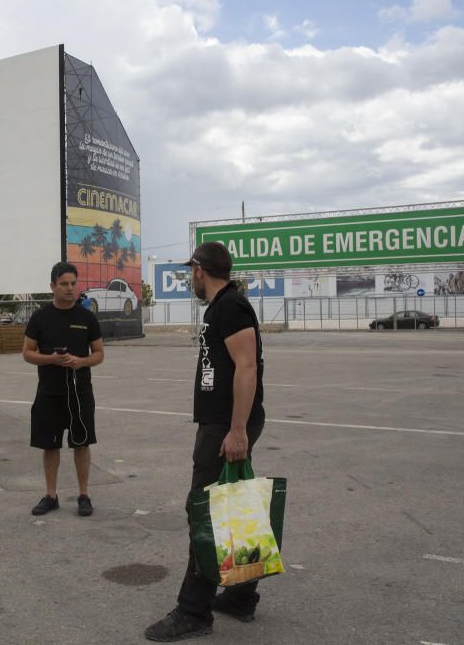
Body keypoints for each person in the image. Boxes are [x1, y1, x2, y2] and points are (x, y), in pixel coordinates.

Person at [145, 242, 266, 642]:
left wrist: (237, 429)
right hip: (223, 423)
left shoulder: (230, 306)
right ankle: (241, 596)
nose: (188, 279)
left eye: (190, 272)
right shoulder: (222, 307)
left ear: (200, 270)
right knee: (234, 507)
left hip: (225, 426)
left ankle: (193, 611)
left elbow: (247, 367)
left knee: (204, 513)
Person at [23, 262, 105, 517]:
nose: (70, 289)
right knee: (50, 445)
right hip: (49, 392)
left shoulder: (87, 317)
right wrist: (51, 359)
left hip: (79, 393)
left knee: (81, 444)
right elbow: (27, 353)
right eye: (64, 284)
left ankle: (84, 495)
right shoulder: (40, 317)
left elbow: (99, 353)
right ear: (52, 287)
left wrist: (81, 362)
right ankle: (51, 496)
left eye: (73, 283)